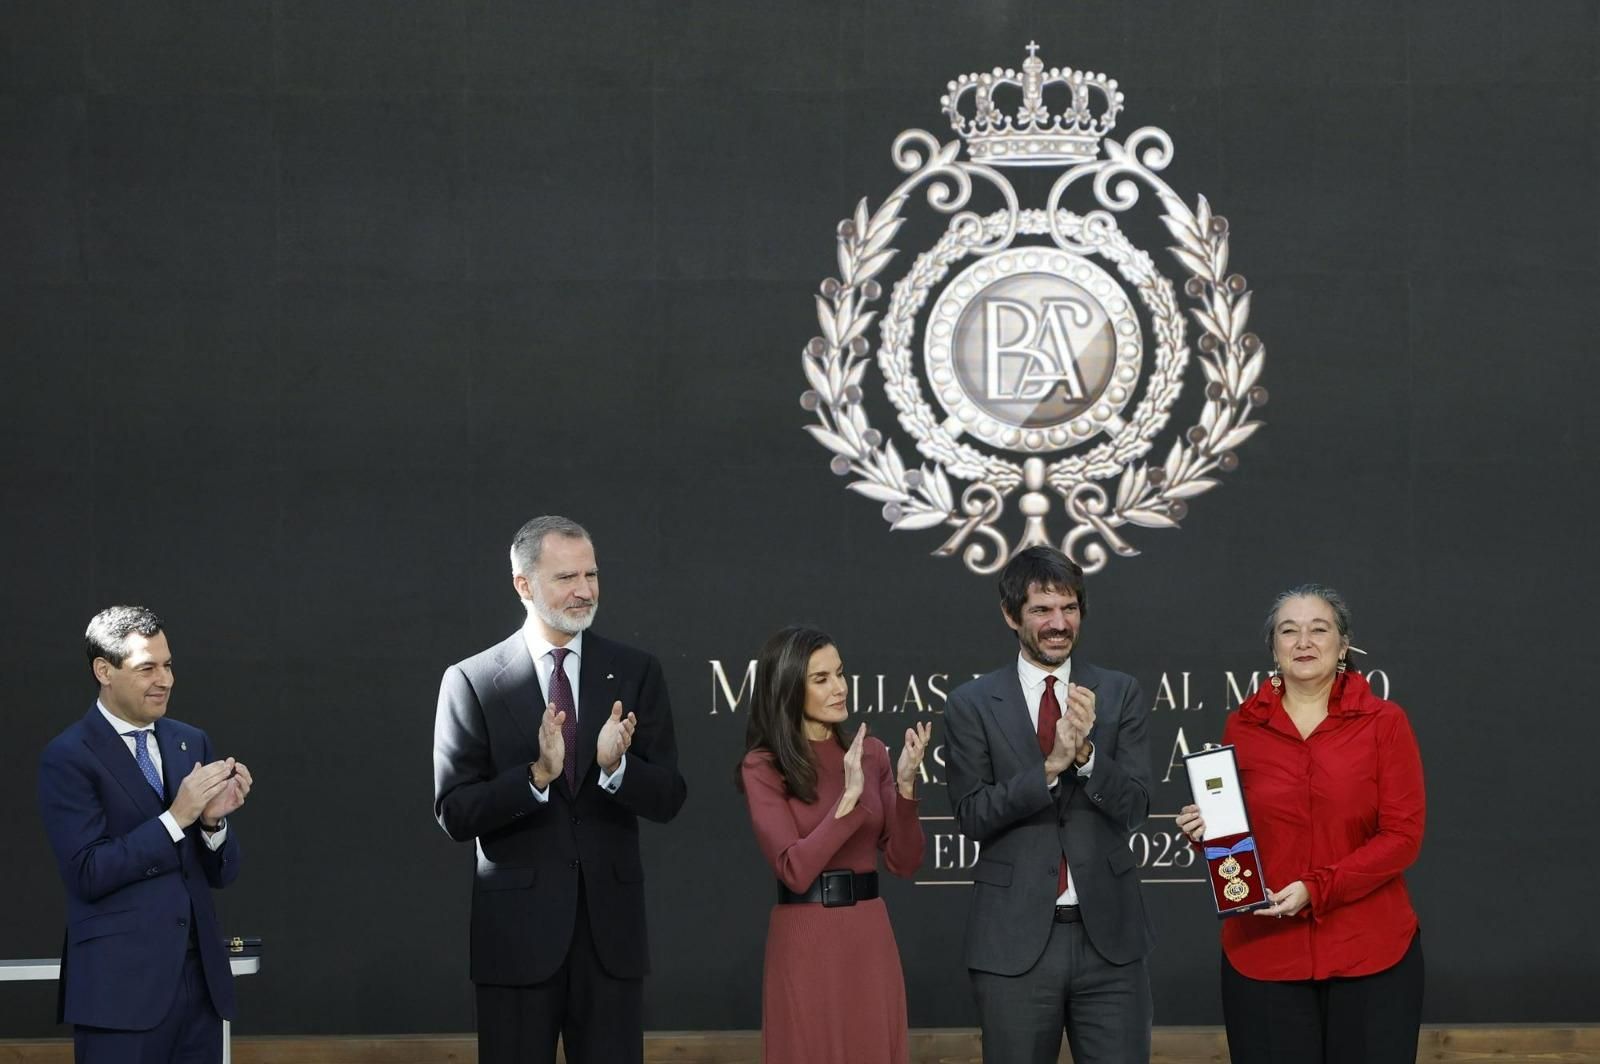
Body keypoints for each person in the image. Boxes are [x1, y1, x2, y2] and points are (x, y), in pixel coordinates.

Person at [433, 515, 687, 1064]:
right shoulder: (472, 680)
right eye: (566, 577)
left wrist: (615, 768)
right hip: (516, 942)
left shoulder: (637, 671)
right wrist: (535, 778)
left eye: (591, 575)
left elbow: (669, 795)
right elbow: (455, 811)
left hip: (610, 941)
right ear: (524, 585)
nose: (584, 591)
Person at [1176, 584, 1425, 1064]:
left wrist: (1318, 888)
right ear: (1273, 648)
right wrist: (1205, 835)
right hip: (1264, 955)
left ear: (1344, 645)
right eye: (1289, 631)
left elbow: (1402, 838)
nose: (1303, 642)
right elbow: (1237, 837)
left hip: (1371, 954)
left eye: (1319, 629)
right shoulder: (1241, 726)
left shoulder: (1385, 723)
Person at [944, 545, 1154, 1064]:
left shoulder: (1119, 692)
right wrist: (1050, 766)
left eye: (1069, 608)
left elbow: (1135, 806)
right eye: (1042, 610)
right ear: (1011, 615)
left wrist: (1084, 756)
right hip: (1013, 943)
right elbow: (973, 814)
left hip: (1110, 942)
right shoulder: (971, 704)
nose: (1058, 623)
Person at [37, 605, 253, 1063]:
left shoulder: (190, 741)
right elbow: (89, 873)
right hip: (118, 994)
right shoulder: (68, 756)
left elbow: (220, 874)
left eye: (168, 664)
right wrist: (176, 818)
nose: (166, 679)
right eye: (146, 668)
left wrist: (213, 823)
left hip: (202, 988)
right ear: (104, 671)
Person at [737, 626, 930, 1064]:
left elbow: (905, 861)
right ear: (788, 689)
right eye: (821, 679)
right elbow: (794, 868)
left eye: (840, 673)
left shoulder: (873, 754)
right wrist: (847, 802)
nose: (840, 687)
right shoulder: (763, 766)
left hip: (869, 939)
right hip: (805, 942)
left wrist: (904, 786)